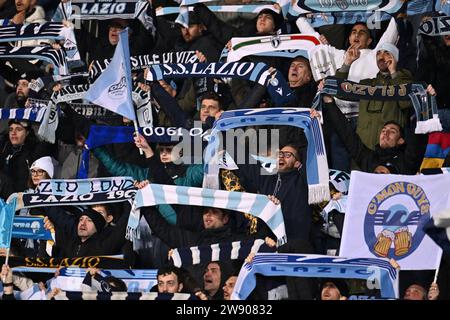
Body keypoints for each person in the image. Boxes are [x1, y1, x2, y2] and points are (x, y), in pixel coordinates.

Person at [312, 92, 430, 174]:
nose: (385, 133)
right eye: (383, 130)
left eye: (392, 131)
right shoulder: (370, 158)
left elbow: (417, 137)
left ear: (401, 140)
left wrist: (425, 102)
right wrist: (330, 103)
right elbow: (347, 134)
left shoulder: (407, 160)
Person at [336, 42, 413, 150]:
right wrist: (347, 63)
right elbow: (340, 92)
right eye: (378, 53)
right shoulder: (366, 84)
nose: (381, 56)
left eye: (387, 53)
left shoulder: (405, 82)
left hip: (389, 151)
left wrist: (393, 72)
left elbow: (406, 103)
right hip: (361, 152)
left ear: (395, 58)